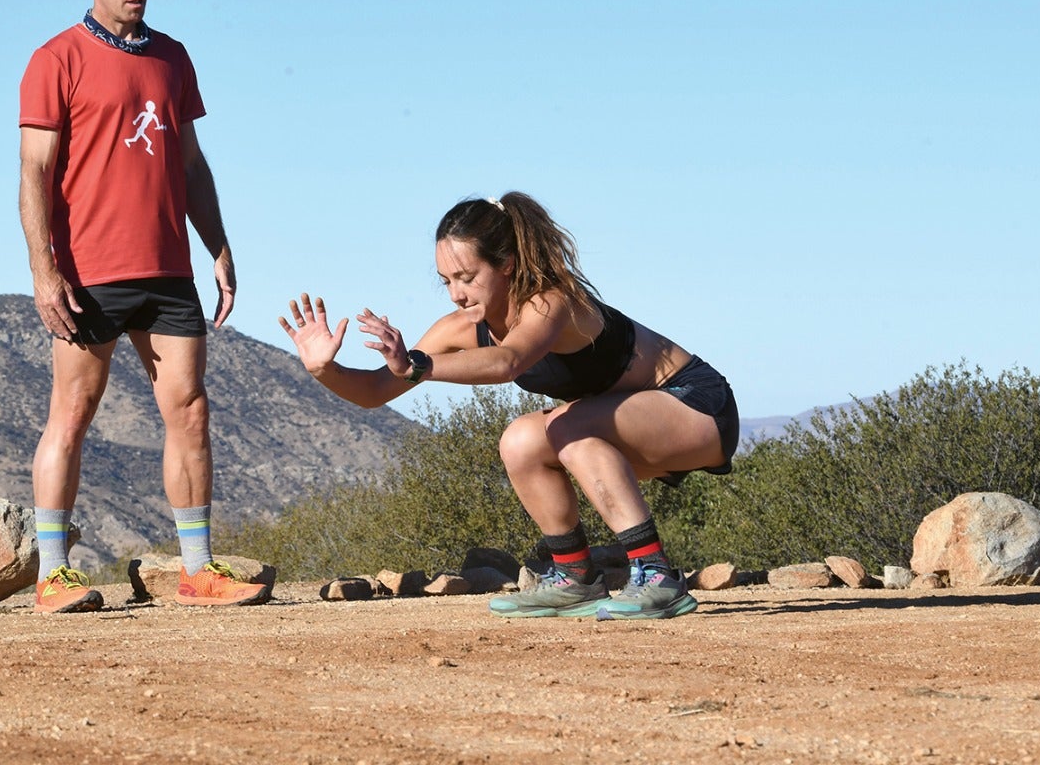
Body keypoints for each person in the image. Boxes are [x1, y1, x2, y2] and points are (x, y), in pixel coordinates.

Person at [279, 191, 739, 620]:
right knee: (520, 440)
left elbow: (509, 360)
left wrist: (416, 364)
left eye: (467, 277)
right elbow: (377, 391)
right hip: (620, 418)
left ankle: (657, 576)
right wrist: (325, 370)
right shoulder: (461, 327)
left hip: (695, 406)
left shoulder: (551, 302)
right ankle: (575, 577)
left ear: (508, 265)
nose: (457, 293)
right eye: (446, 281)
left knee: (569, 430)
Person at [18, 0, 268, 613]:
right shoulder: (55, 58)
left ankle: (197, 569)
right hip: (89, 271)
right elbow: (33, 173)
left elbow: (190, 163)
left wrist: (217, 245)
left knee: (189, 410)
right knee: (72, 412)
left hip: (167, 269)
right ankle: (53, 573)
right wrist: (44, 271)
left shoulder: (172, 57)